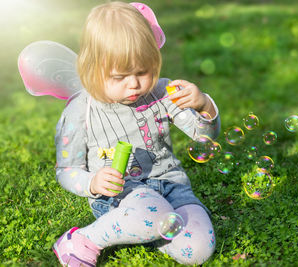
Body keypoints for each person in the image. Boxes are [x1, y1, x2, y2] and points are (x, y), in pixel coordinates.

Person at [52, 2, 220, 266]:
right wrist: (92, 183)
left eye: (143, 71)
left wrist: (204, 106)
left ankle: (147, 231)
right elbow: (67, 169)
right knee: (149, 215)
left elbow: (204, 136)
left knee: (198, 250)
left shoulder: (165, 93)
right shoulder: (80, 110)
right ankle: (83, 239)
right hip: (121, 196)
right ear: (91, 69)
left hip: (173, 188)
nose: (135, 84)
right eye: (120, 77)